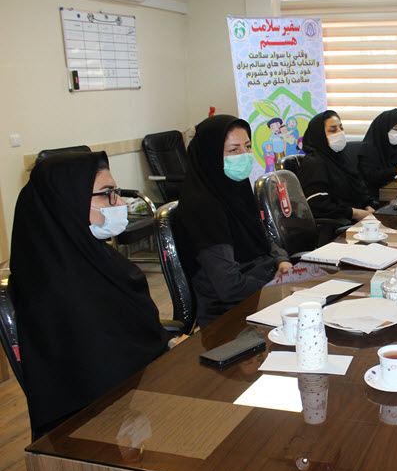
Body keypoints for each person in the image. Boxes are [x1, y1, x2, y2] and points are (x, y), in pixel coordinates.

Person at [9, 152, 172, 438]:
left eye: (116, 193)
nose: (119, 204)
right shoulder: (55, 286)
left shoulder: (92, 255)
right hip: (99, 423)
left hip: (138, 393)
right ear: (67, 202)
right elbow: (103, 369)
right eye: (107, 194)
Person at [176, 115, 292, 328]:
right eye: (233, 150)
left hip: (262, 291)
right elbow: (229, 286)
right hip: (231, 314)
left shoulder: (236, 189)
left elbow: (262, 235)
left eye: (247, 147)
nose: (244, 155)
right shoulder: (202, 207)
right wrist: (278, 287)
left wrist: (281, 260)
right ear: (210, 156)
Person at [297, 110, 378, 222]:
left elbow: (359, 189)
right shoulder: (313, 163)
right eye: (333, 130)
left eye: (341, 128)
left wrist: (368, 205)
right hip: (338, 224)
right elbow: (317, 204)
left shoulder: (341, 158)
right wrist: (354, 213)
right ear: (319, 135)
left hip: (359, 219)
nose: (340, 132)